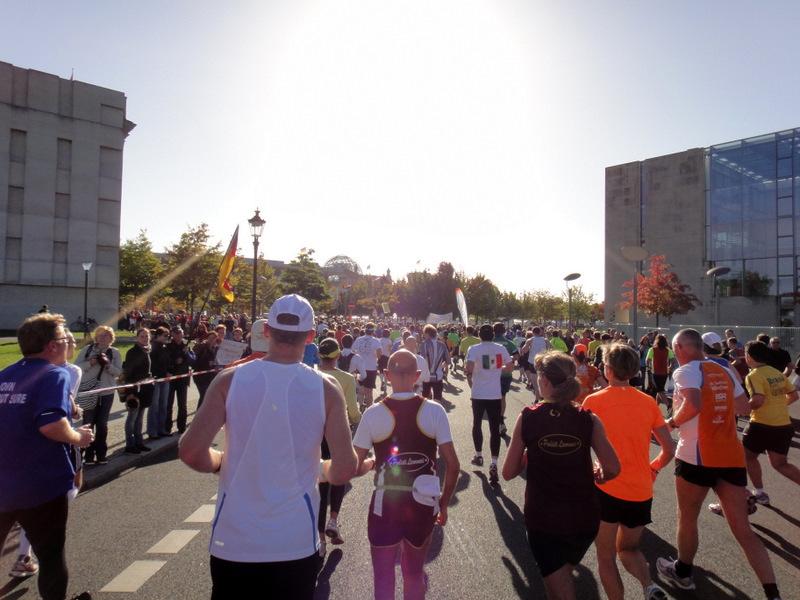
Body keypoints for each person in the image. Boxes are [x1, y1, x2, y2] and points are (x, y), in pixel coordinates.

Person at [179, 295, 357, 600]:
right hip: (294, 542)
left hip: (234, 542)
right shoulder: (326, 388)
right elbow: (343, 469)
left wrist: (220, 461)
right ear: (311, 337)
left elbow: (192, 452)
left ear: (266, 332)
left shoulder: (229, 380)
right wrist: (319, 469)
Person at [656, 329, 782, 600]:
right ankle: (773, 594)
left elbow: (693, 404)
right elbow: (745, 409)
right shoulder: (723, 369)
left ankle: (683, 572)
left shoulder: (686, 371)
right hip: (731, 455)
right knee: (742, 530)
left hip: (696, 455)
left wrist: (671, 423)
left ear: (678, 347)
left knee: (687, 517)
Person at [502, 351, 620, 600]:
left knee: (560, 588)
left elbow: (508, 472)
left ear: (543, 380)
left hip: (544, 519)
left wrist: (530, 449)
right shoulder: (588, 419)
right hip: (584, 518)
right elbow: (613, 468)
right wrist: (600, 475)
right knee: (562, 576)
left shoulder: (529, 417)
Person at [0, 313, 94, 600]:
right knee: (51, 557)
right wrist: (80, 438)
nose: (71, 343)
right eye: (67, 339)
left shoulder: (5, 375)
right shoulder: (56, 374)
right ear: (52, 345)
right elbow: (51, 424)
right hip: (39, 483)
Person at [352, 349, 459, 600]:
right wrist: (443, 503)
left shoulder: (373, 414)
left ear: (386, 375)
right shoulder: (434, 411)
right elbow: (453, 465)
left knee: (383, 578)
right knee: (413, 574)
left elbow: (354, 467)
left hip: (385, 503)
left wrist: (372, 463)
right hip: (423, 503)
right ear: (418, 375)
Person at [583, 343, 675, 600]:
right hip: (641, 489)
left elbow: (581, 444)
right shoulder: (648, 402)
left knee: (605, 556)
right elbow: (669, 448)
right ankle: (649, 585)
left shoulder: (594, 401)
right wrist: (653, 469)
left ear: (607, 369)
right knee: (629, 548)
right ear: (635, 371)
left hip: (606, 486)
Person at [740, 340, 800, 505]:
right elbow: (794, 395)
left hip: (761, 424)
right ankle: (759, 494)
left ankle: (758, 493)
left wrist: (743, 410)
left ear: (749, 357)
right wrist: (778, 405)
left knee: (746, 457)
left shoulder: (754, 375)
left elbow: (758, 400)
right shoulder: (776, 372)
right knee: (781, 464)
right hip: (783, 425)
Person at [316, 338, 361, 556]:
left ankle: (320, 540)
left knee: (320, 483)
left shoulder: (310, 375)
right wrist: (358, 419)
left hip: (315, 434)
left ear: (319, 355)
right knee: (340, 476)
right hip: (339, 433)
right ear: (337, 356)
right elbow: (352, 412)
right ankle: (333, 520)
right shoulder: (346, 379)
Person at [466, 324, 514, 484]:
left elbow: (469, 367)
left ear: (479, 335)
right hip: (495, 394)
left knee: (477, 424)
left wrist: (470, 373)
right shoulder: (500, 348)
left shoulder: (474, 349)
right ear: (493, 335)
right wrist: (497, 369)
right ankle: (494, 463)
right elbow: (511, 367)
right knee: (494, 429)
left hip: (478, 393)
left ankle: (479, 455)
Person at [75, 325, 122, 464]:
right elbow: (76, 367)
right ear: (96, 337)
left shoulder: (114, 352)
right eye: (100, 335)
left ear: (110, 338)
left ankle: (101, 454)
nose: (103, 338)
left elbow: (118, 372)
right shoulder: (87, 350)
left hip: (106, 392)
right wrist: (91, 362)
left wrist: (108, 365)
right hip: (89, 391)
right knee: (88, 423)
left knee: (102, 424)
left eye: (106, 336)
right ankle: (88, 455)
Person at [122, 328, 154, 454]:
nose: (145, 338)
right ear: (137, 338)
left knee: (140, 417)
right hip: (135, 388)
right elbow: (129, 373)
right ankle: (130, 443)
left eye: (147, 336)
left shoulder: (148, 351)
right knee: (132, 416)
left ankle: (139, 441)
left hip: (146, 387)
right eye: (142, 336)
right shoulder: (133, 352)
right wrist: (130, 392)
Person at [165, 326, 195, 435]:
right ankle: (167, 427)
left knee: (182, 405)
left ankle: (181, 427)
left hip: (183, 379)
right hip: (171, 378)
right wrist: (175, 360)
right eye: (177, 333)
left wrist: (186, 353)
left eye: (181, 333)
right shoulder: (168, 347)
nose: (179, 335)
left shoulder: (186, 346)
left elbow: (193, 361)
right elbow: (166, 361)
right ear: (172, 334)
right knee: (169, 404)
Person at [492, 323, 520, 435]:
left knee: (492, 397)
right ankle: (501, 420)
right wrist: (507, 358)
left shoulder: (490, 342)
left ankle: (495, 420)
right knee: (502, 396)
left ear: (493, 331)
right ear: (504, 331)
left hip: (492, 373)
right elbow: (517, 356)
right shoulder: (509, 343)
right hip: (505, 374)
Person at [352, 322, 383, 408]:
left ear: (365, 330)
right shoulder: (376, 341)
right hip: (371, 368)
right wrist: (374, 357)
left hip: (360, 367)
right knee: (369, 391)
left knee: (361, 388)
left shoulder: (358, 340)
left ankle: (361, 405)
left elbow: (353, 351)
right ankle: (369, 410)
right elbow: (379, 354)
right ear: (373, 331)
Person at [419, 324, 451, 403]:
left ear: (427, 334)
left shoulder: (424, 344)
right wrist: (441, 366)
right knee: (437, 399)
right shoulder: (442, 345)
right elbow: (448, 361)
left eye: (424, 333)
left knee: (424, 400)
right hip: (438, 376)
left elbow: (422, 360)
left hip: (426, 376)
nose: (423, 335)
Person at [645, 334, 676, 411]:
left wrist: (648, 365)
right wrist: (671, 366)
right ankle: (656, 407)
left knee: (660, 390)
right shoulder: (667, 350)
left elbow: (647, 360)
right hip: (665, 372)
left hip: (655, 372)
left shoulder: (652, 349)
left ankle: (668, 405)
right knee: (659, 389)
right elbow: (673, 359)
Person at [193, 331, 219, 408]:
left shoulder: (216, 348)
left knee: (208, 396)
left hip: (210, 376)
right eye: (210, 338)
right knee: (203, 396)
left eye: (213, 338)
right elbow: (196, 362)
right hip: (200, 376)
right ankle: (199, 415)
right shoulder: (202, 347)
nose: (212, 339)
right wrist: (207, 363)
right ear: (207, 338)